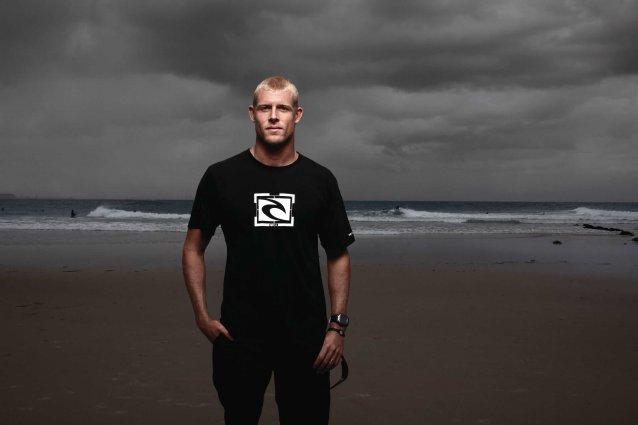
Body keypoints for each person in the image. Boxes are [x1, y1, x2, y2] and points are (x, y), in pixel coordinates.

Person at [182, 76, 354, 425]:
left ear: (298, 115)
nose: (274, 116)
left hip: (306, 337)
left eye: (283, 108)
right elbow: (193, 247)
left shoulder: (321, 180)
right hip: (240, 335)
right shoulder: (221, 177)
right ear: (252, 114)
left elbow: (338, 254)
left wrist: (337, 327)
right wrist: (201, 315)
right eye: (265, 108)